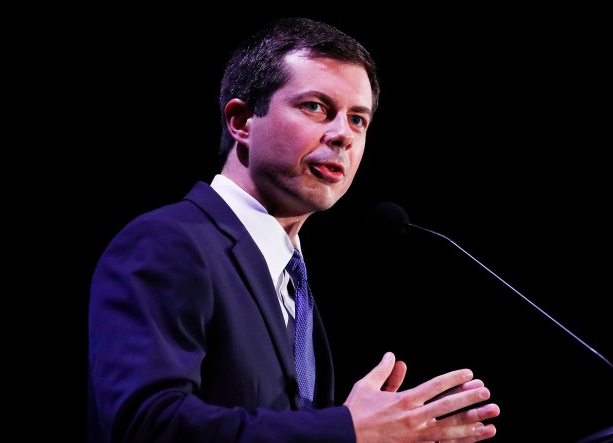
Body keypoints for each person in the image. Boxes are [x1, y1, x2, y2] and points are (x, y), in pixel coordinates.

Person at [87, 17, 500, 443]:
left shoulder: (289, 275)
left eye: (358, 119)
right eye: (316, 107)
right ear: (242, 121)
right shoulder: (169, 242)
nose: (342, 135)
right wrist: (347, 430)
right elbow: (144, 426)